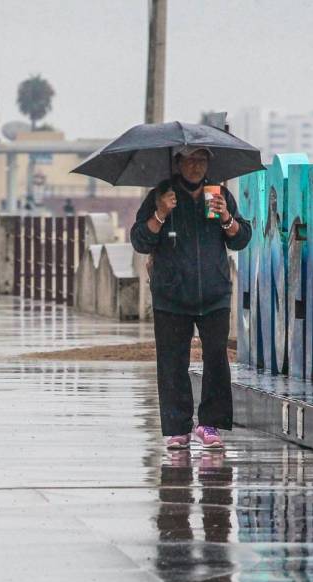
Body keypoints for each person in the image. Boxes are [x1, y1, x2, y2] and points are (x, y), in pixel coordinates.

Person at [130, 146, 251, 450]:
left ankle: (210, 424)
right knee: (172, 362)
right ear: (178, 162)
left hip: (214, 293)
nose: (196, 166)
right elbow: (140, 241)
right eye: (191, 160)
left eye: (202, 160)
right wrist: (160, 214)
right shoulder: (162, 194)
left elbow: (240, 238)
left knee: (216, 359)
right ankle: (177, 427)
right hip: (171, 295)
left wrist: (226, 216)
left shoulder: (217, 194)